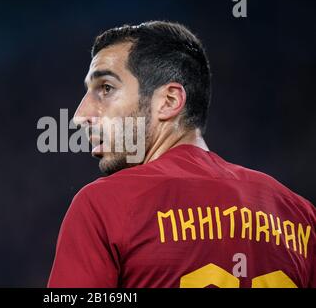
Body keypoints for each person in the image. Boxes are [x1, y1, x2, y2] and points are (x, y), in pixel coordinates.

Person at [47, 21, 316, 287]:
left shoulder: (104, 205)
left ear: (169, 101)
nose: (80, 115)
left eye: (106, 89)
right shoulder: (301, 216)